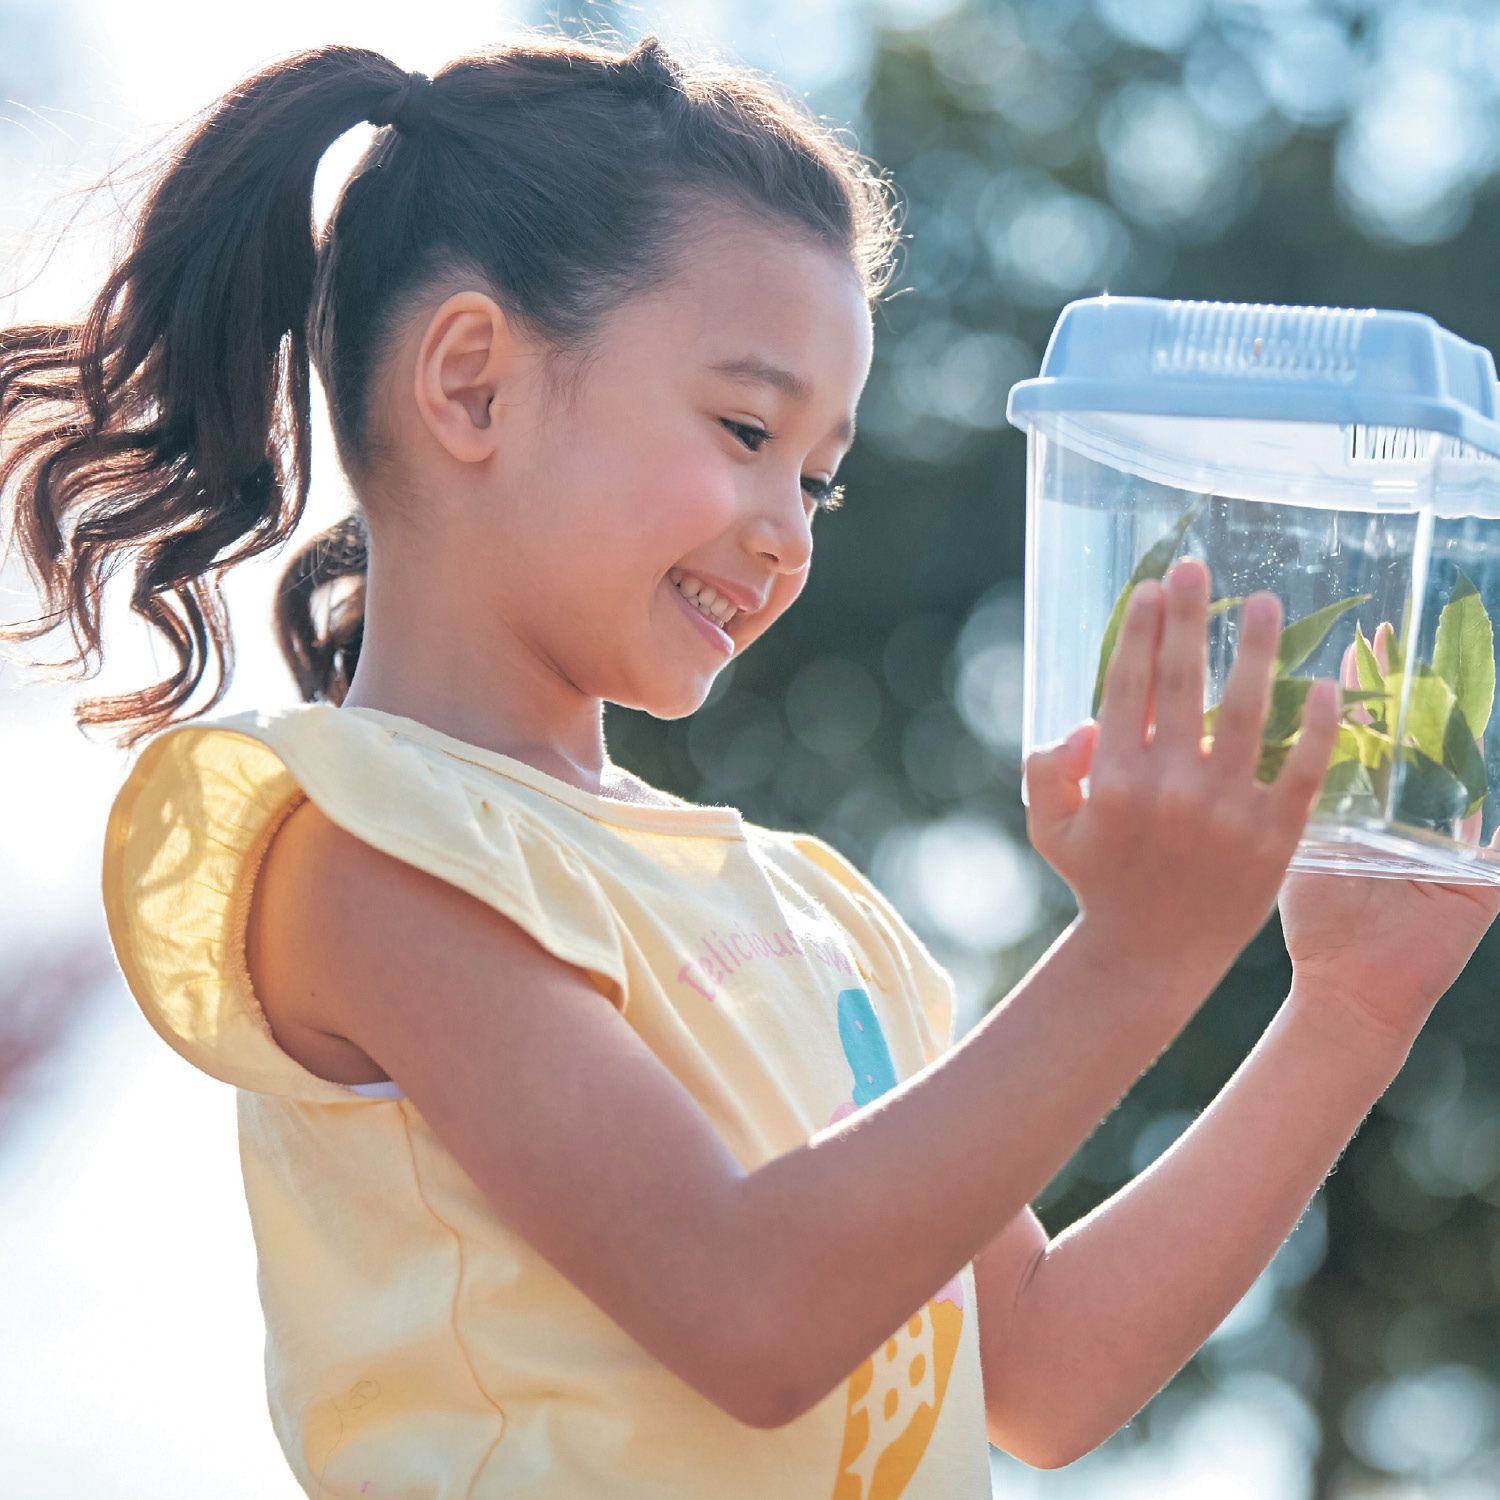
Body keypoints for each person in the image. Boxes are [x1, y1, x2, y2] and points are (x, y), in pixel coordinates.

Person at [3, 26, 1498, 1500]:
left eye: (819, 474)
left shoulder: (814, 913)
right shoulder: (367, 855)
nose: (788, 526)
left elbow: (1035, 1375)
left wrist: (1354, 1008)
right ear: (470, 384)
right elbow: (751, 1314)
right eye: (743, 427)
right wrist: (1135, 959)